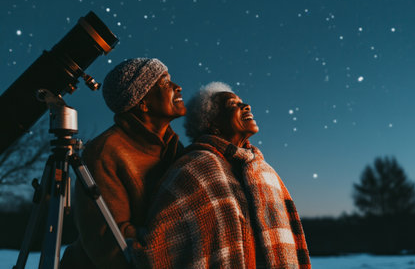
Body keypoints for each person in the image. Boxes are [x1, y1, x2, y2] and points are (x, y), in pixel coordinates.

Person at [131, 82, 311, 268]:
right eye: (232, 104)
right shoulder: (195, 167)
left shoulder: (265, 172)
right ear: (212, 123)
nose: (246, 106)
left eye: (242, 102)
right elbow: (161, 246)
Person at [61, 58, 186, 269]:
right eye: (165, 83)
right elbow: (108, 241)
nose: (178, 87)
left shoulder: (174, 147)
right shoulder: (104, 153)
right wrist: (181, 239)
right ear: (142, 103)